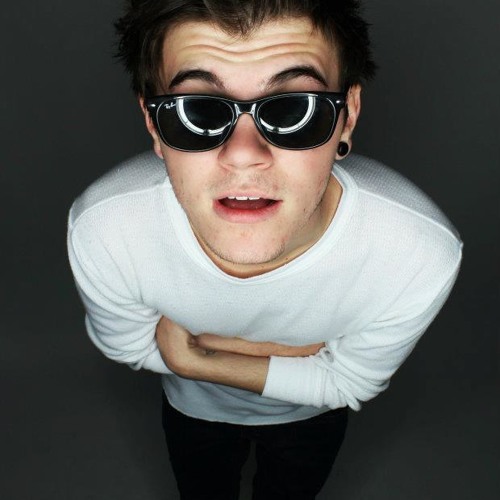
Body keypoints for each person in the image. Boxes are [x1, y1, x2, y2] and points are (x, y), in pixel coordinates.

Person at [67, 1, 463, 498]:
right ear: (153, 125)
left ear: (347, 118)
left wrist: (194, 359)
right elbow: (125, 344)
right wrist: (303, 357)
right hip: (192, 415)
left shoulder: (417, 252)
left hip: (311, 421)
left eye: (295, 108)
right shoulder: (105, 227)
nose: (243, 155)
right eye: (198, 110)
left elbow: (349, 385)